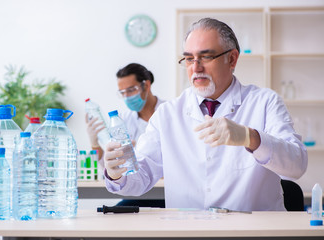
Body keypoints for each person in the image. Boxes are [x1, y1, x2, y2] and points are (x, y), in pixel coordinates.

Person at [103, 18, 308, 211]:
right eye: (189, 59)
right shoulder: (167, 114)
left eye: (206, 57)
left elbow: (296, 165)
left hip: (253, 232)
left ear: (232, 59)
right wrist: (117, 174)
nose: (196, 67)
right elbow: (141, 179)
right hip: (189, 231)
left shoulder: (264, 102)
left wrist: (251, 138)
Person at [85, 63, 165, 207]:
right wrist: (95, 143)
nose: (127, 97)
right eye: (122, 92)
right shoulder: (122, 121)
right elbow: (110, 168)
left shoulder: (169, 113)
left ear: (146, 86)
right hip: (139, 191)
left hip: (167, 192)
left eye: (131, 90)